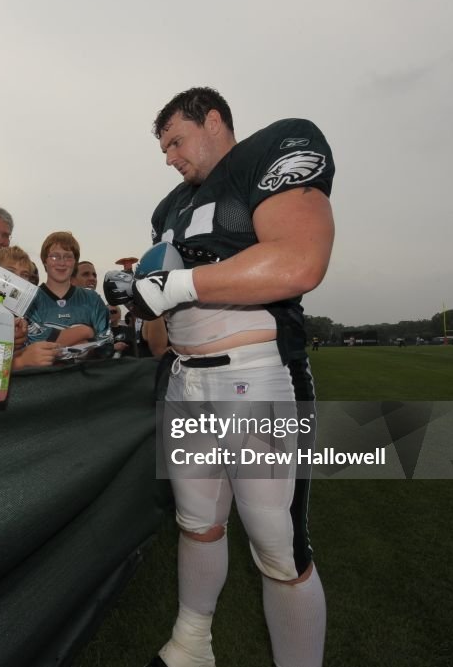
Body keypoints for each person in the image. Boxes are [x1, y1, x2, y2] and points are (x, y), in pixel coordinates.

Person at [132, 87, 335, 667]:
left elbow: (300, 259)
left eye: (175, 140)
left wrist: (182, 285)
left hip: (256, 376)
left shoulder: (273, 149)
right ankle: (191, 644)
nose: (169, 156)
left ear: (213, 119)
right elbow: (163, 313)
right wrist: (147, 301)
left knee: (276, 547)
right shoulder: (168, 206)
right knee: (196, 523)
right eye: (163, 147)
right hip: (186, 381)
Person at [25, 231, 110, 348]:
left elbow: (106, 344)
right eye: (55, 256)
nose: (62, 262)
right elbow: (32, 344)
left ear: (75, 262)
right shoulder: (29, 299)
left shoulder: (92, 299)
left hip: (87, 366)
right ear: (45, 261)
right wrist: (86, 333)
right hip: (42, 367)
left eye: (68, 256)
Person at [0, 245, 59, 369]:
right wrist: (21, 359)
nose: (18, 279)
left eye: (24, 275)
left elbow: (53, 340)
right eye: (10, 272)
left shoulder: (26, 316)